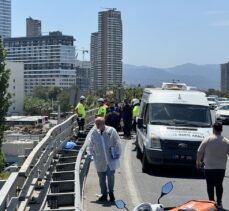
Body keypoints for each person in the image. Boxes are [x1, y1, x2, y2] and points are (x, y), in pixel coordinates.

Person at [87, 117, 122, 202]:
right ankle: (104, 194)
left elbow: (118, 142)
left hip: (110, 159)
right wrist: (90, 154)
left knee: (110, 177)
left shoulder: (111, 131)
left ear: (103, 123)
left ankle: (111, 193)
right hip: (99, 159)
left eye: (98, 124)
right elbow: (90, 144)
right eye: (96, 124)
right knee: (101, 179)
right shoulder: (94, 132)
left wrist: (117, 153)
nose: (97, 125)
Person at [196, 122, 229, 209]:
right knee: (219, 185)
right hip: (221, 168)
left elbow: (199, 151)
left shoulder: (207, 139)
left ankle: (211, 202)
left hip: (209, 167)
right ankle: (219, 202)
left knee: (210, 185)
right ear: (221, 130)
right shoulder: (226, 141)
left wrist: (198, 162)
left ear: (213, 129)